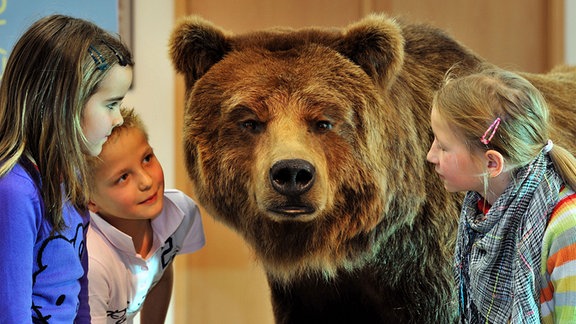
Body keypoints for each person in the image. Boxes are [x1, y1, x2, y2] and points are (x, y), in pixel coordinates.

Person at [0, 14, 133, 323]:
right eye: (111, 104)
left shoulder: (69, 180)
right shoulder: (15, 191)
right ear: (64, 103)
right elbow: (9, 312)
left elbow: (78, 288)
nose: (119, 119)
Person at [426, 65, 576, 323]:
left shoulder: (567, 232)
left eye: (442, 146)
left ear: (492, 164)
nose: (430, 156)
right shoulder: (483, 212)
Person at [86, 107, 205, 323]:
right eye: (123, 177)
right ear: (89, 200)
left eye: (147, 158)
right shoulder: (91, 262)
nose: (146, 181)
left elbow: (161, 270)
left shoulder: (180, 214)